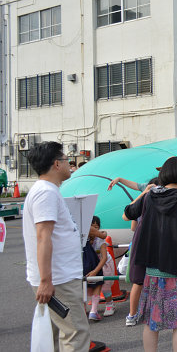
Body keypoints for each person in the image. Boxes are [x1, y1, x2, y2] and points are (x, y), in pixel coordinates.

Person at [123, 157, 177, 352]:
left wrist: (144, 192)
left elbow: (128, 212)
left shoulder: (150, 197)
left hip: (152, 269)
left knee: (152, 320)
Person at [23, 141, 90, 351]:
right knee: (75, 333)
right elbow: (44, 237)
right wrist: (45, 281)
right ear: (56, 164)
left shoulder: (46, 190)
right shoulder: (46, 193)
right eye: (67, 160)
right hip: (59, 279)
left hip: (57, 277)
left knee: (57, 334)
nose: (70, 164)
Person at [121, 176, 160, 327]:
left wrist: (144, 194)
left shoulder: (145, 200)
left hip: (141, 244)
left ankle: (133, 314)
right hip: (151, 245)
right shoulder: (148, 199)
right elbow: (126, 216)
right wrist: (144, 193)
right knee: (143, 280)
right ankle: (136, 314)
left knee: (140, 281)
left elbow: (131, 224)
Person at [89, 216, 117, 318]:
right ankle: (93, 308)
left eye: (97, 227)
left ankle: (110, 304)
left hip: (104, 264)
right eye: (92, 226)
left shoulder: (100, 240)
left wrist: (96, 270)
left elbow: (104, 258)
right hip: (93, 264)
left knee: (105, 285)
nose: (94, 229)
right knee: (91, 286)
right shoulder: (85, 239)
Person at [84, 224, 105, 321]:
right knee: (98, 283)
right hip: (89, 259)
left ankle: (82, 311)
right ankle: (93, 311)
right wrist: (104, 233)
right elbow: (103, 235)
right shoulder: (85, 226)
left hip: (76, 258)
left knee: (80, 285)